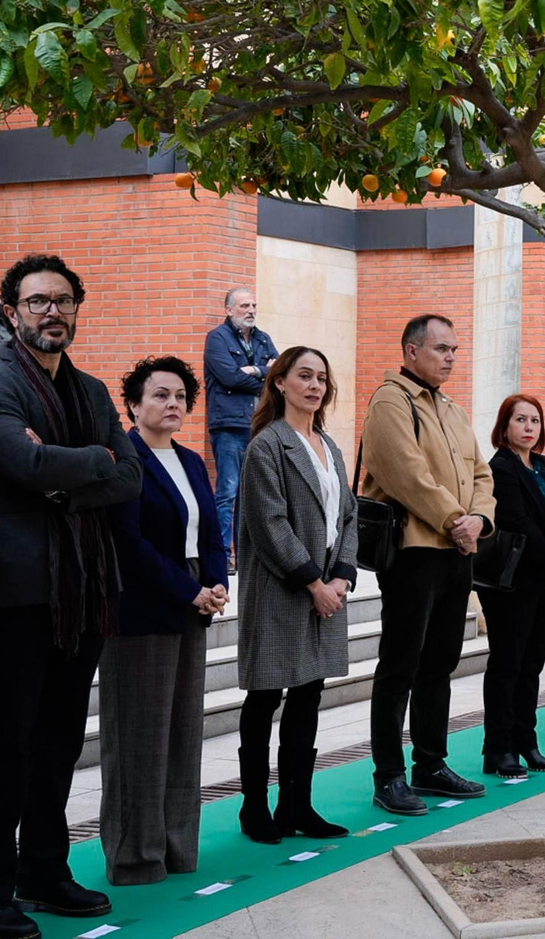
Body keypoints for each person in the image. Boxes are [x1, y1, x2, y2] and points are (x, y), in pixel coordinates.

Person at [0, 254, 142, 939]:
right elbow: (25, 463)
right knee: (2, 745)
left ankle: (42, 868)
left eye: (63, 300)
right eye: (36, 301)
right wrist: (92, 461)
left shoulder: (90, 390)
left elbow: (131, 478)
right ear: (10, 310)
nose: (51, 311)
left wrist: (66, 472)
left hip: (84, 588)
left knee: (59, 739)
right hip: (12, 592)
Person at [100, 357, 229, 884]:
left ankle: (178, 847)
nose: (172, 404)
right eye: (159, 395)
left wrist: (218, 584)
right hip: (143, 606)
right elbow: (128, 545)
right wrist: (190, 590)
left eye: (180, 396)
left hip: (193, 601)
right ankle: (135, 855)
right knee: (138, 735)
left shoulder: (193, 460)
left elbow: (212, 530)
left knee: (181, 731)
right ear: (133, 404)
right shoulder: (122, 458)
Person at [361, 314, 494, 816]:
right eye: (441, 348)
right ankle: (389, 775)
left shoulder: (453, 408)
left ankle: (430, 764)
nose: (451, 357)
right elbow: (405, 474)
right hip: (415, 551)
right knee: (400, 664)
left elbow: (482, 473)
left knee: (441, 663)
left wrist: (479, 519)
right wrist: (456, 520)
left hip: (457, 552)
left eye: (455, 349)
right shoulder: (390, 400)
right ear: (411, 351)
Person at [234, 346, 355, 844]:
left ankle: (297, 804)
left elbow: (348, 515)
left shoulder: (330, 445)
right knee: (264, 696)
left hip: (327, 586)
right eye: (303, 376)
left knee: (309, 695)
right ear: (279, 382)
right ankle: (254, 806)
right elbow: (270, 524)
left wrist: (342, 576)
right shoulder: (267, 445)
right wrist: (313, 584)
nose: (314, 386)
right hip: (284, 588)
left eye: (321, 378)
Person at [481, 395, 545, 778]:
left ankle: (526, 741)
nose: (529, 427)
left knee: (532, 664)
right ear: (505, 426)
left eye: (535, 420)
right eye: (520, 420)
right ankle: (498, 749)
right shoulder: (501, 467)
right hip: (513, 582)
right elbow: (516, 520)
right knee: (507, 664)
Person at [204, 287, 279, 562]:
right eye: (245, 305)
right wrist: (263, 378)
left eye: (254, 306)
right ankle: (222, 555)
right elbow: (230, 378)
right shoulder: (217, 339)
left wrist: (258, 370)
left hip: (258, 426)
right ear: (229, 310)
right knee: (227, 492)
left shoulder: (263, 338)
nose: (251, 311)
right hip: (229, 427)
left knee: (249, 494)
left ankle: (244, 554)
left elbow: (280, 373)